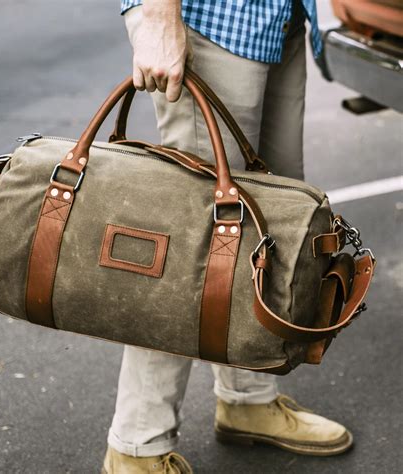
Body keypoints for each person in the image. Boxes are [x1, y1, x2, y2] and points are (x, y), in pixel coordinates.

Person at [102, 1, 353, 472]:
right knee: (190, 245)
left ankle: (247, 398)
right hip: (210, 20)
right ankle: (138, 446)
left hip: (277, 18)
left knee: (272, 224)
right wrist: (156, 14)